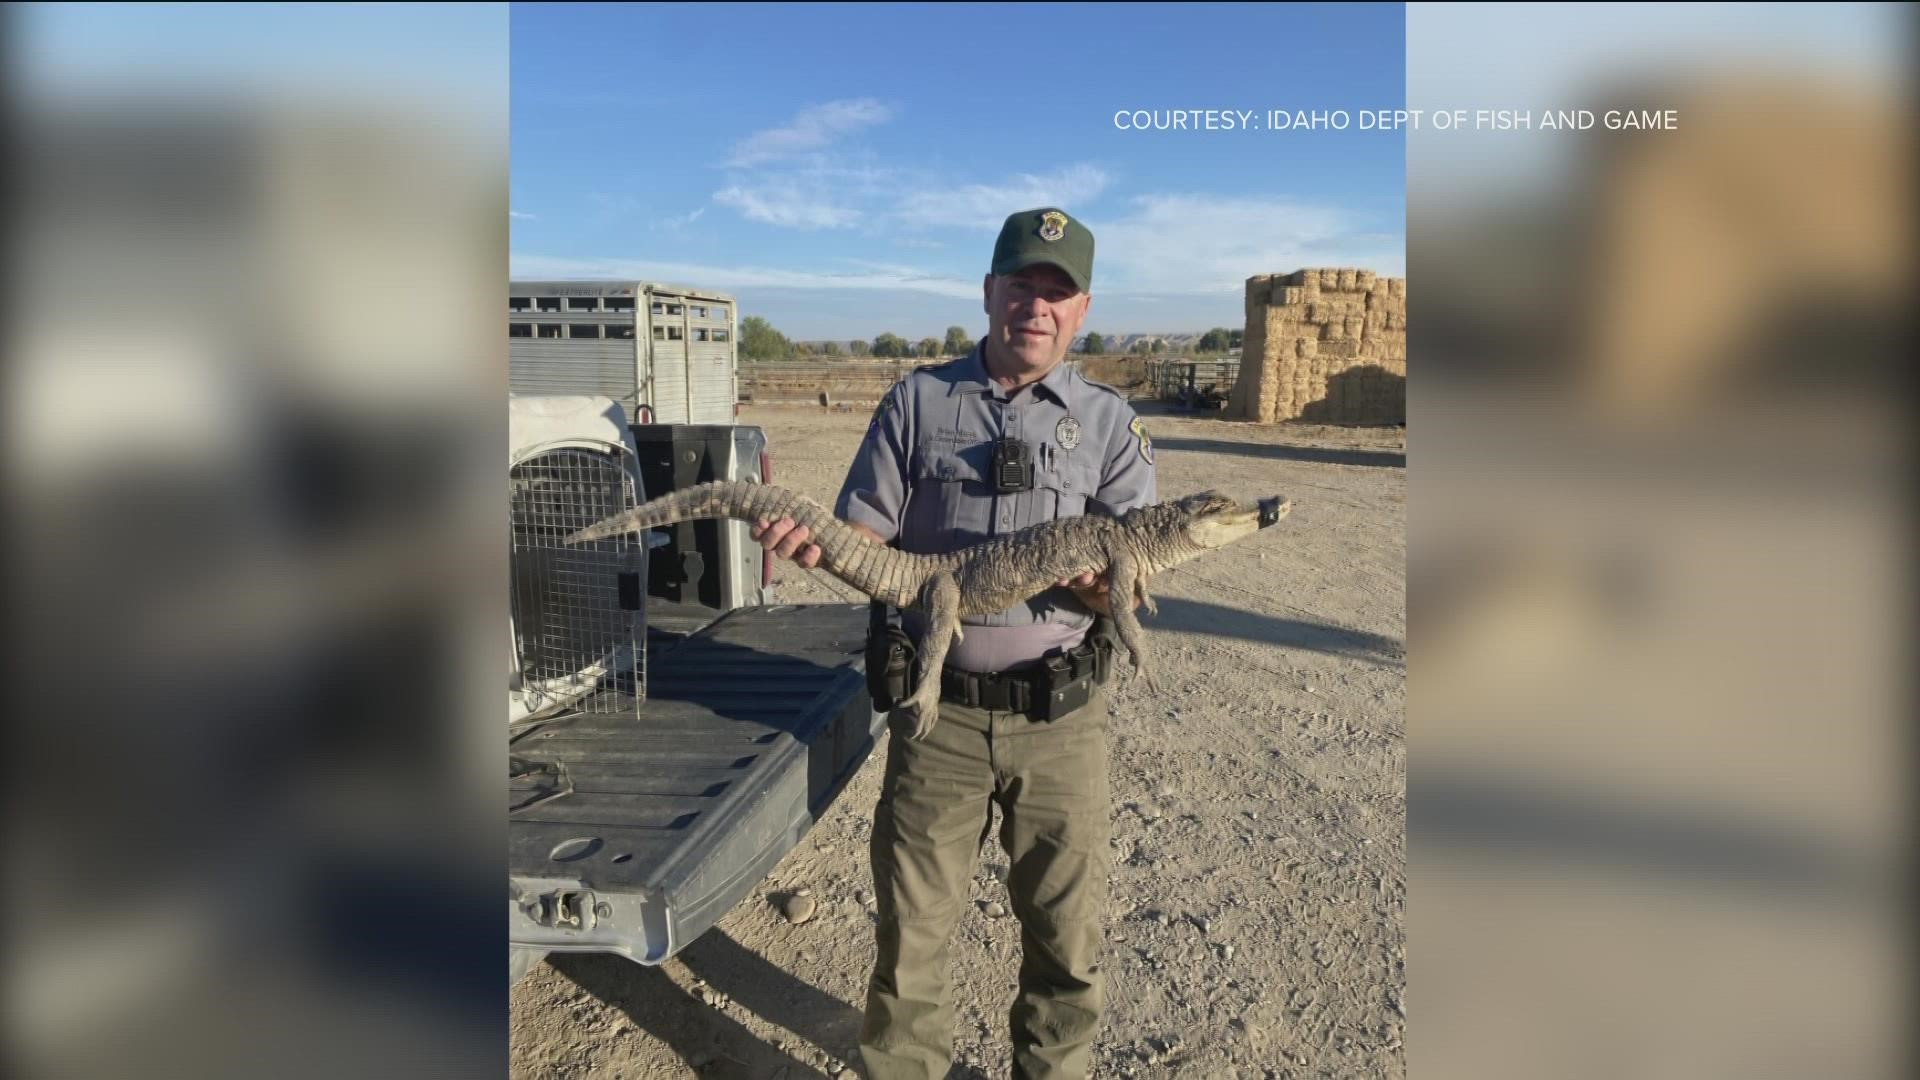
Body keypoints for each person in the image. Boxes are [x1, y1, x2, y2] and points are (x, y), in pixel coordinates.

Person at [752, 207, 1156, 1078]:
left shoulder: (1113, 424)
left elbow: (1133, 563)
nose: (1036, 308)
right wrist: (817, 544)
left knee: (1066, 943)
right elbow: (863, 537)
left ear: (1082, 309)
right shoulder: (917, 401)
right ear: (989, 293)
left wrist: (1101, 589)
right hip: (939, 724)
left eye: (1058, 293)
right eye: (1022, 287)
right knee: (911, 948)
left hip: (1064, 723)